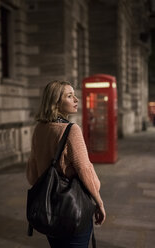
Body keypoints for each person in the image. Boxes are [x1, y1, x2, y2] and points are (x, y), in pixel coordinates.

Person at [26, 80, 106, 248]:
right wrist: (99, 202)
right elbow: (85, 169)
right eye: (69, 96)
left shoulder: (39, 128)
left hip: (49, 214)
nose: (76, 99)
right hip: (72, 212)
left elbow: (32, 173)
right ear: (56, 102)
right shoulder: (71, 130)